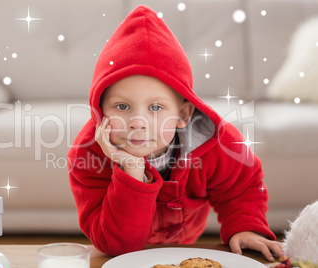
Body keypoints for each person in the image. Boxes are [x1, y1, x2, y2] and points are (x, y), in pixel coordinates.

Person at [67, 5, 284, 261]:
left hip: (185, 242)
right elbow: (116, 245)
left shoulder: (217, 143)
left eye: (156, 107)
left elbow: (241, 186)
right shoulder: (86, 156)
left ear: (182, 115)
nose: (138, 122)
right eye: (122, 106)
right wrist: (132, 169)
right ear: (100, 110)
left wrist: (246, 227)